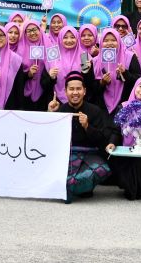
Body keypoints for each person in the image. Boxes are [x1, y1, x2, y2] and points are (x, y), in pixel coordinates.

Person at [47, 71, 117, 201]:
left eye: (78, 89)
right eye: (71, 89)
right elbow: (49, 136)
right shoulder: (60, 110)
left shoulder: (95, 110)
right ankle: (78, 186)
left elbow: (103, 140)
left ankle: (69, 187)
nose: (75, 92)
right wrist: (50, 114)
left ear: (84, 91)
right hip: (67, 155)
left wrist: (87, 127)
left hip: (89, 155)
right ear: (65, 91)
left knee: (102, 169)